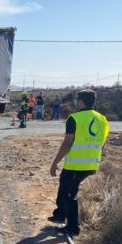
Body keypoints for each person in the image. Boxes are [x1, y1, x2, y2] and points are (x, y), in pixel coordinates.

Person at [48, 89, 109, 236]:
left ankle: (73, 227)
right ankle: (60, 214)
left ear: (81, 101)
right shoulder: (102, 119)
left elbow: (67, 143)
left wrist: (55, 162)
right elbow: (102, 143)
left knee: (69, 193)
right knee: (65, 186)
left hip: (76, 164)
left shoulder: (74, 118)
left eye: (77, 100)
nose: (75, 102)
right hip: (91, 163)